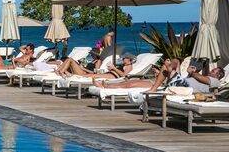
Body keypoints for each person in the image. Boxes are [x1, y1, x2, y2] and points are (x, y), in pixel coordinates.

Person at [94, 58, 225, 92]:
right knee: (175, 61)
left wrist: (192, 72)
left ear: (218, 75)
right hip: (179, 82)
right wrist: (191, 74)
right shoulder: (202, 78)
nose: (211, 71)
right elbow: (195, 78)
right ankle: (107, 86)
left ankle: (107, 87)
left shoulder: (215, 82)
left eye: (214, 71)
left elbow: (199, 77)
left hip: (181, 86)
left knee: (132, 83)